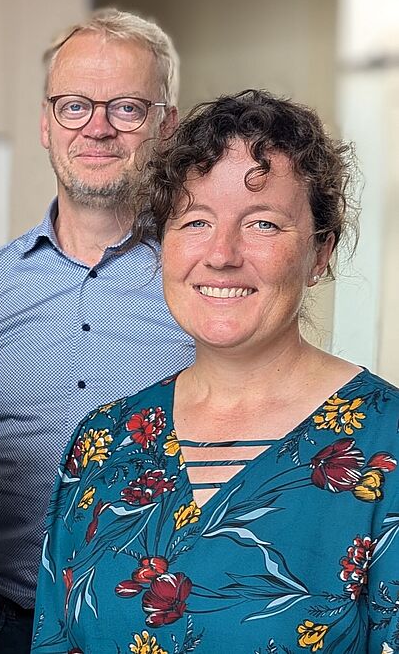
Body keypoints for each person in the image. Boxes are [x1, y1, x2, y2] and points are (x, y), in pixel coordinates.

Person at [32, 89, 399, 653]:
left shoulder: (386, 442)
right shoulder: (99, 445)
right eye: (196, 222)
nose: (222, 253)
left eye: (263, 225)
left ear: (320, 252)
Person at [0, 9, 195, 652]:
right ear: (46, 124)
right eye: (74, 105)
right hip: (2, 624)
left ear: (166, 127)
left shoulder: (203, 286)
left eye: (127, 108)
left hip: (155, 621)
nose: (98, 128)